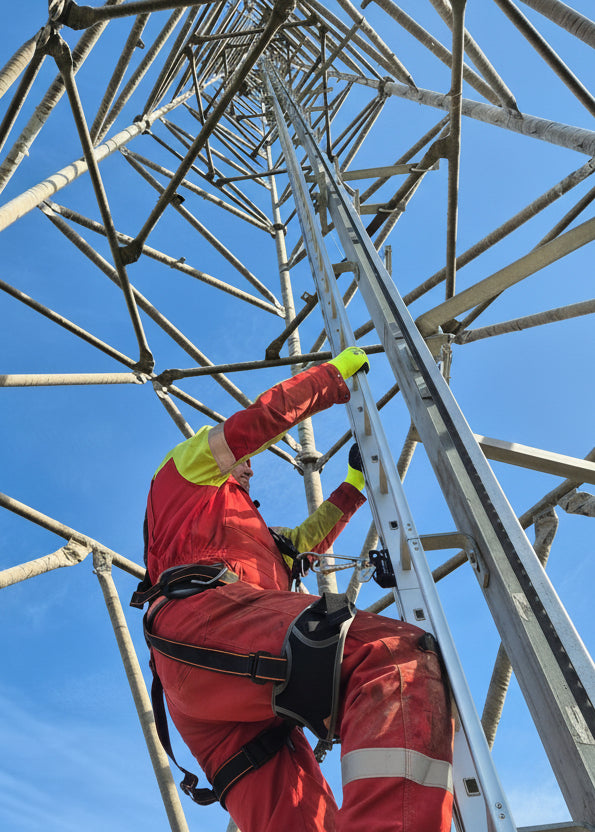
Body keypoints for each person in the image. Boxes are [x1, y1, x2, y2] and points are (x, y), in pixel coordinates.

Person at [134, 347, 454, 832]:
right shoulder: (185, 473)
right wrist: (332, 377)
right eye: (242, 466)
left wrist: (352, 486)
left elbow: (308, 541)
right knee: (390, 658)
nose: (250, 469)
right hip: (204, 624)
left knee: (309, 823)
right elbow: (255, 425)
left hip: (219, 699)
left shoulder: (254, 535)